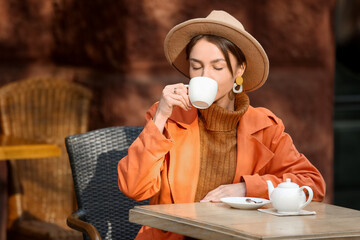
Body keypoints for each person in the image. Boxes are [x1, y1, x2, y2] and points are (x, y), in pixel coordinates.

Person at [118, 10, 326, 240]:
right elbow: (133, 187)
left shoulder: (265, 127)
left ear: (239, 70)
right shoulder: (170, 118)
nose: (205, 76)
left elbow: (313, 185)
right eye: (196, 67)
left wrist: (247, 188)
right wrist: (160, 117)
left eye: (217, 67)